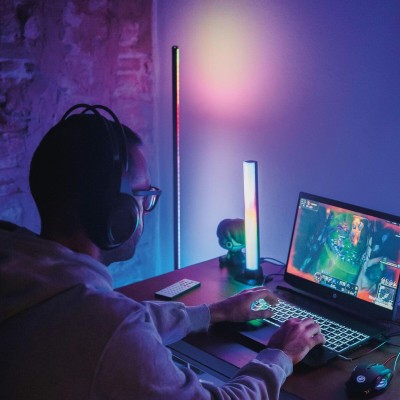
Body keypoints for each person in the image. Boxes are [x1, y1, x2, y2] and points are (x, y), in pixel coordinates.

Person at [0, 104, 325, 399]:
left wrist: (215, 312)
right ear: (117, 214)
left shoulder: (26, 273)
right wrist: (280, 356)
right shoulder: (109, 327)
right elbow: (114, 327)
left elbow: (115, 321)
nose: (146, 209)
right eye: (143, 196)